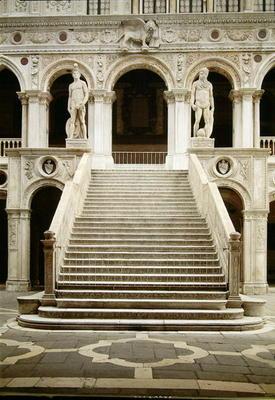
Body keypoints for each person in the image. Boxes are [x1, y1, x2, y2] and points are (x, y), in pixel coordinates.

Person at [190, 67, 214, 138]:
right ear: (199, 74)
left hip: (207, 104)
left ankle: (206, 137)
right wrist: (192, 104)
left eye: (205, 74)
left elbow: (211, 96)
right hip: (198, 104)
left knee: (207, 121)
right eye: (201, 73)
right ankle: (194, 137)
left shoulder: (209, 84)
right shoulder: (195, 83)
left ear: (207, 75)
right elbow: (192, 95)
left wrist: (213, 106)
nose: (203, 75)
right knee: (197, 120)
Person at [67, 63, 89, 139]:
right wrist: (68, 106)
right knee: (72, 121)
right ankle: (70, 137)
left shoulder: (83, 83)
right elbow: (69, 97)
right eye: (74, 73)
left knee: (82, 120)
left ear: (79, 75)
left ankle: (85, 137)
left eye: (77, 73)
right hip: (73, 103)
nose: (75, 74)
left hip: (80, 102)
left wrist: (83, 103)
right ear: (72, 75)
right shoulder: (71, 85)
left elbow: (86, 94)